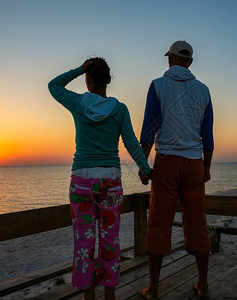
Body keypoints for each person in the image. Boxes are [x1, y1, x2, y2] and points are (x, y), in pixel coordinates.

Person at [48, 57, 152, 300]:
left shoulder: (77, 102)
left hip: (82, 182)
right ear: (108, 80)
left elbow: (54, 86)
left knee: (84, 245)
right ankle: (110, 297)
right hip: (110, 183)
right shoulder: (119, 109)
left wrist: (78, 68)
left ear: (87, 79)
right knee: (110, 243)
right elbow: (131, 143)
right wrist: (145, 169)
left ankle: (89, 298)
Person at [138, 41, 214, 299]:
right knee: (198, 224)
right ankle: (203, 284)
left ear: (169, 59)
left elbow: (149, 128)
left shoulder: (158, 85)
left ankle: (154, 288)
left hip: (168, 161)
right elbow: (208, 134)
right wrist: (207, 167)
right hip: (194, 163)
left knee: (159, 223)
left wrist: (143, 165)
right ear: (190, 62)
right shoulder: (203, 90)